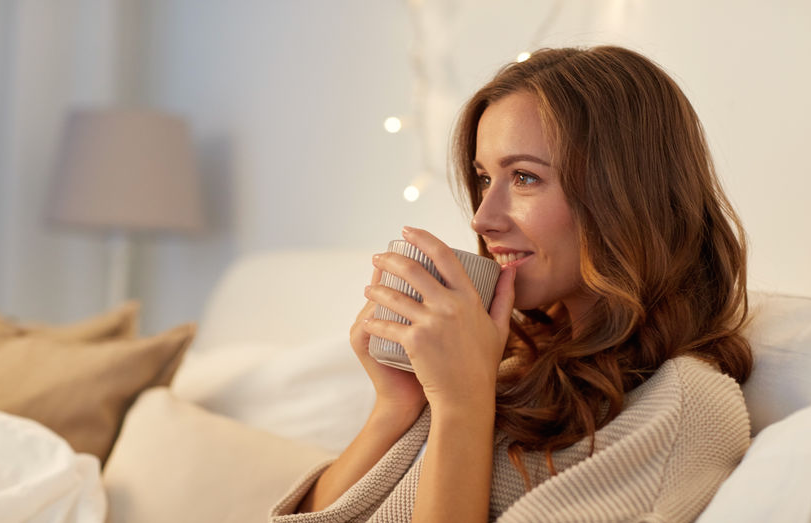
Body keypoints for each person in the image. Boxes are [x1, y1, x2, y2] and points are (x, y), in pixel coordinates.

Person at [270, 45, 753, 522]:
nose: (482, 219)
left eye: (524, 177)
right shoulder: (509, 364)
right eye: (484, 179)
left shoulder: (687, 407)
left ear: (627, 194)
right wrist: (397, 404)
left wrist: (462, 405)